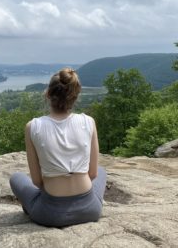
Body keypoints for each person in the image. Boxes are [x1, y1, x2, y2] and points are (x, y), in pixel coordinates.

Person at [9, 67, 106, 227]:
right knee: (102, 171)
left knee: (16, 178)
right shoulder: (89, 122)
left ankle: (32, 207)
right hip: (90, 210)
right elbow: (93, 173)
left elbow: (36, 181)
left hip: (49, 214)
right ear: (75, 96)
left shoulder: (33, 127)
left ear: (48, 94)